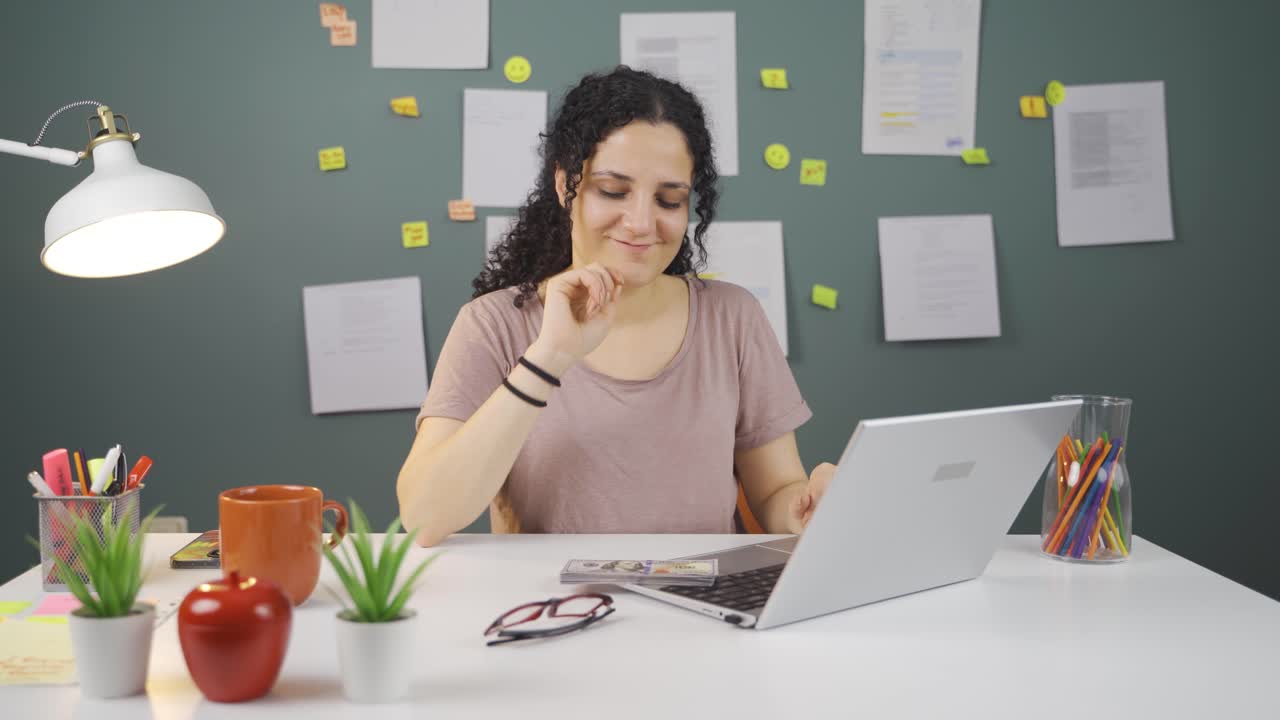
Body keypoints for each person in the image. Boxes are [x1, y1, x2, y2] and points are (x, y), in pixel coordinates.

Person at [397, 66, 835, 547]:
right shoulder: (492, 324)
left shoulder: (732, 316)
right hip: (556, 610)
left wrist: (801, 512)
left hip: (705, 605)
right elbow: (425, 515)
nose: (642, 222)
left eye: (669, 200)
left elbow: (775, 488)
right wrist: (550, 357)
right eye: (613, 191)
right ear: (566, 186)